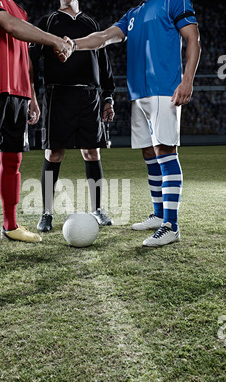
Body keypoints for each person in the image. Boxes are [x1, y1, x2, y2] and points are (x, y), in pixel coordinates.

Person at [65, 0, 201, 246]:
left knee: (166, 151)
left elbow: (194, 39)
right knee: (149, 153)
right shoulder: (133, 13)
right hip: (138, 93)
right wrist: (74, 44)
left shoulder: (174, 1)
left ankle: (171, 225)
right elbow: (104, 37)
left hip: (164, 89)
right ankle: (159, 214)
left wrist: (187, 80)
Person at [0, 0, 73, 255]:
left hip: (18, 94)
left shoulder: (18, 8)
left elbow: (24, 56)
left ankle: (10, 225)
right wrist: (56, 40)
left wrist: (31, 96)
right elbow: (10, 27)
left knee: (13, 161)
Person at [30, 0, 116, 232]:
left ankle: (97, 209)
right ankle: (46, 212)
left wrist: (107, 97)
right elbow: (31, 64)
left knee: (92, 152)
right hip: (58, 94)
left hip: (89, 96)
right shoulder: (47, 21)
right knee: (54, 153)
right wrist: (32, 97)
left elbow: (103, 62)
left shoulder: (91, 23)